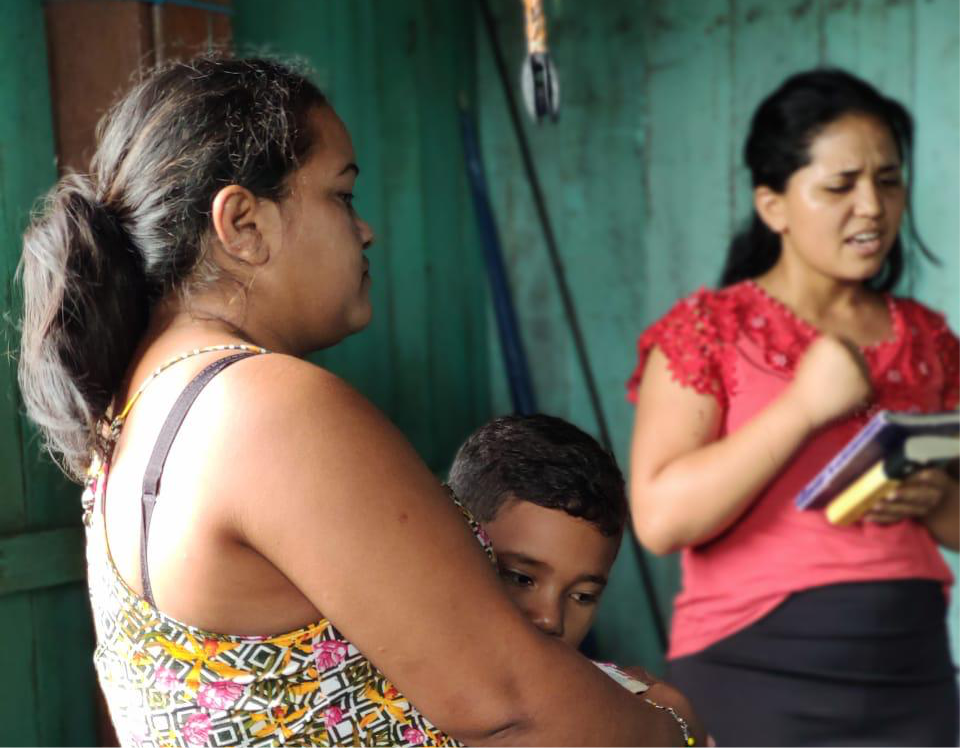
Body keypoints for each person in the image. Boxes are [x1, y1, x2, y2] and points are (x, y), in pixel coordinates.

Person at [18, 55, 699, 748]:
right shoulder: (264, 409)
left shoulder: (143, 411)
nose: (365, 229)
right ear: (243, 224)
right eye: (342, 196)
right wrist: (669, 726)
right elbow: (513, 705)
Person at [627, 67, 960, 748]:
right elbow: (659, 519)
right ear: (773, 204)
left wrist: (933, 499)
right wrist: (803, 407)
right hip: (755, 673)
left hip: (913, 672)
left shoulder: (928, 338)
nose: (871, 205)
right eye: (840, 186)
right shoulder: (707, 330)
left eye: (888, 181)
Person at [448, 413, 706, 742]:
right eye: (521, 578)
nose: (550, 618)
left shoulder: (624, 707)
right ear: (455, 543)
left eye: (582, 596)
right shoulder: (386, 679)